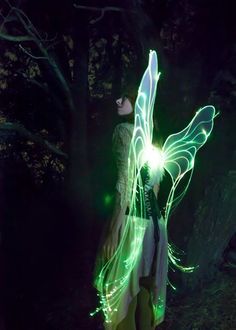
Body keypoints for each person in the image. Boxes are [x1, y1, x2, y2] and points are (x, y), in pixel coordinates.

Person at [94, 88, 168, 330]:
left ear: (138, 104)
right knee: (145, 295)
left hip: (131, 225)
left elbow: (124, 183)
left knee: (121, 297)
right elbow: (155, 188)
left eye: (124, 97)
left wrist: (114, 230)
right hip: (157, 228)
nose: (118, 100)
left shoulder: (124, 131)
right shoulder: (154, 141)